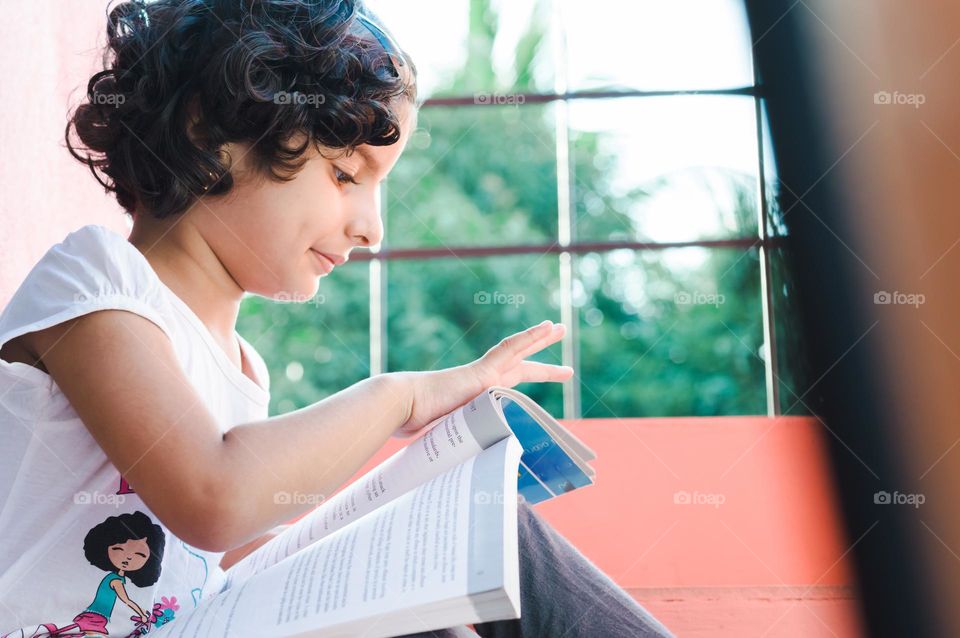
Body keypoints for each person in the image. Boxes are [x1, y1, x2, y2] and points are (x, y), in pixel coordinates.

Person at [0, 1, 674, 636]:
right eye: (348, 175)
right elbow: (215, 498)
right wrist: (398, 396)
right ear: (211, 131)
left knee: (469, 539)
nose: (372, 230)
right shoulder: (94, 282)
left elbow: (237, 557)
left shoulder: (242, 369)